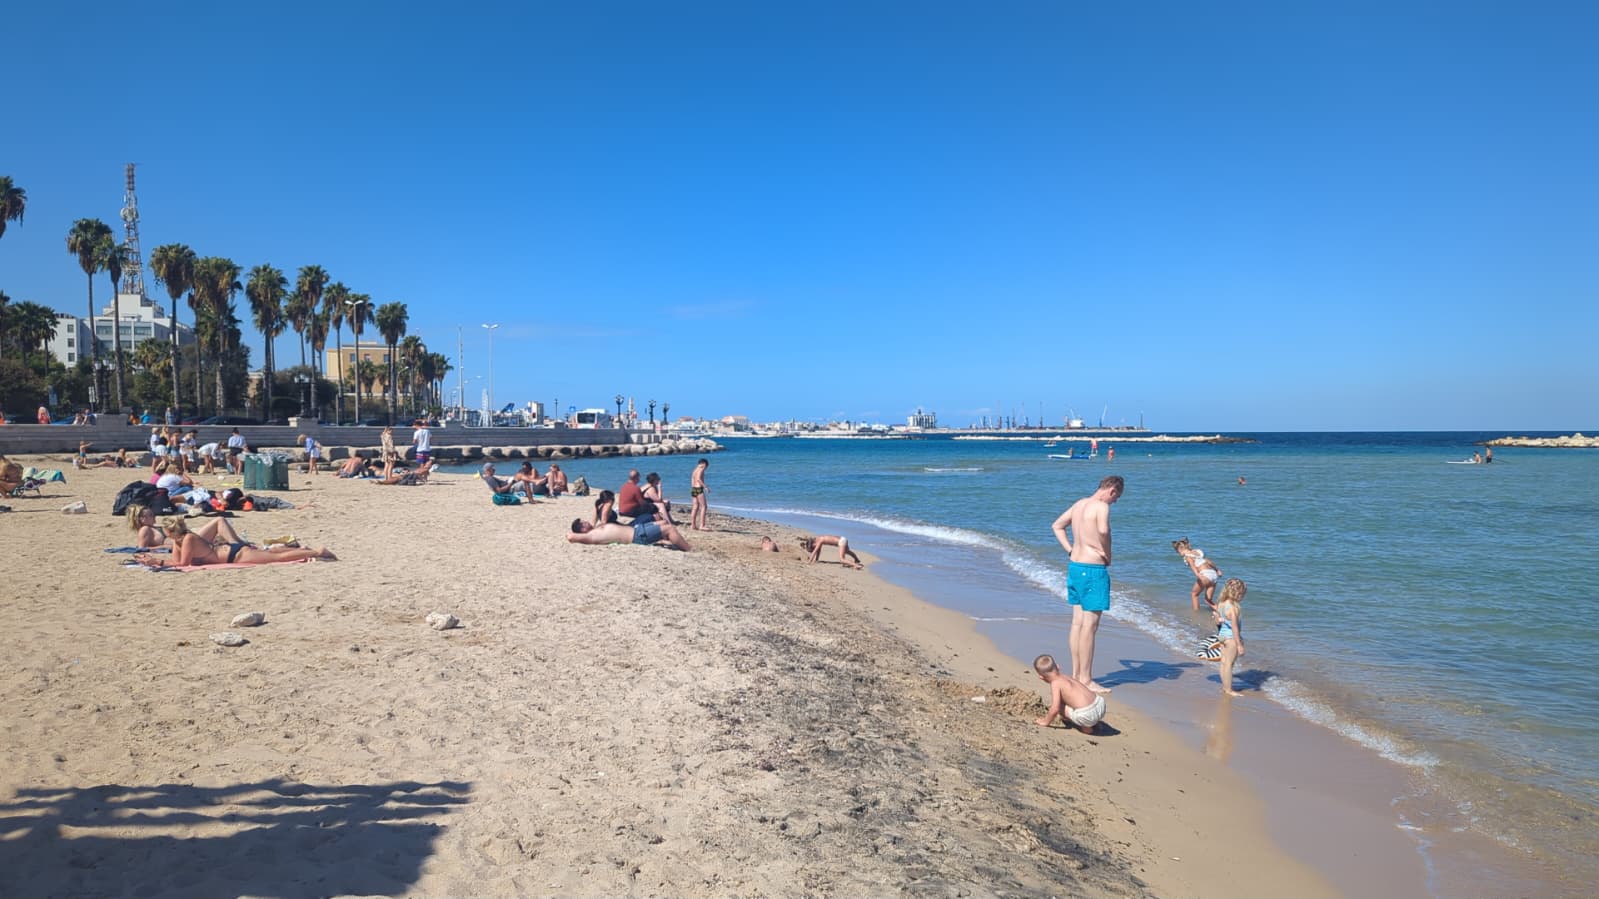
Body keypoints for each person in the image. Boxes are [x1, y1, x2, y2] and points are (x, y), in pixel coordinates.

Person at [1051, 475, 1124, 695]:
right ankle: (1086, 678)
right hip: (1093, 569)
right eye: (1116, 498)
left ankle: (1076, 674)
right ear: (1111, 490)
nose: (1115, 502)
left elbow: (1057, 526)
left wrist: (1070, 549)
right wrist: (1107, 554)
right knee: (1089, 627)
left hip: (1075, 566)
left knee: (1077, 624)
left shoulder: (1079, 504)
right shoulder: (1101, 507)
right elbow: (1103, 531)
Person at [135, 516, 335, 567]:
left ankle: (317, 552)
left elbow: (183, 564)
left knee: (279, 557)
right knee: (274, 554)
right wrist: (153, 559)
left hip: (235, 555)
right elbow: (177, 561)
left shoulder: (187, 539)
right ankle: (306, 550)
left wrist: (157, 562)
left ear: (170, 531)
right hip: (231, 552)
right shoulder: (181, 541)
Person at [1032, 653, 1107, 734]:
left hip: (1087, 714)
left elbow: (1055, 708)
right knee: (1078, 702)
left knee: (1060, 706)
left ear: (1041, 677)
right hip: (1100, 704)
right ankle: (1096, 722)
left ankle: (1087, 729)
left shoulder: (1055, 683)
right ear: (1057, 666)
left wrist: (1045, 721)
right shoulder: (1067, 677)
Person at [126, 503, 242, 549]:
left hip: (189, 536)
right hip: (188, 540)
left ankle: (240, 544)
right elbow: (142, 550)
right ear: (141, 519)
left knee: (221, 528)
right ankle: (238, 546)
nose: (154, 516)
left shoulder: (151, 528)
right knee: (219, 520)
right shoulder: (145, 530)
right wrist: (165, 547)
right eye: (150, 515)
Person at [567, 517, 691, 551]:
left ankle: (670, 541)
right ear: (582, 530)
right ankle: (688, 549)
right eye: (583, 523)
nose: (586, 522)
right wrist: (569, 534)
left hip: (637, 529)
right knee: (669, 528)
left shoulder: (594, 530)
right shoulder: (591, 536)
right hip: (638, 536)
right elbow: (572, 537)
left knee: (663, 522)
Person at [1213, 578, 1247, 696]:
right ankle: (1229, 690)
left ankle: (1225, 687)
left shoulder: (1221, 603)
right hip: (1231, 638)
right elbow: (1235, 628)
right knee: (1229, 664)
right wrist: (1239, 645)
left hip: (1222, 635)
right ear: (1237, 593)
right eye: (1242, 594)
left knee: (1223, 662)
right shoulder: (1234, 608)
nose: (1242, 597)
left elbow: (1218, 621)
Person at [690, 458, 710, 531]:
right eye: (706, 466)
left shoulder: (694, 470)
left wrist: (693, 489)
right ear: (703, 464)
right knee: (704, 506)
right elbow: (698, 479)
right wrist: (706, 487)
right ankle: (702, 525)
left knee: (695, 507)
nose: (705, 468)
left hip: (694, 489)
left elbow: (692, 480)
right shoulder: (700, 469)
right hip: (699, 489)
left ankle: (693, 525)